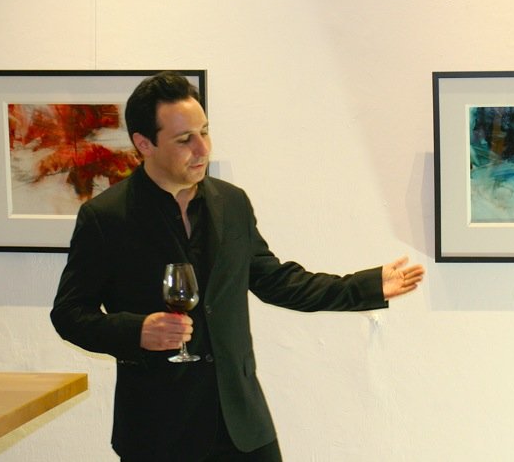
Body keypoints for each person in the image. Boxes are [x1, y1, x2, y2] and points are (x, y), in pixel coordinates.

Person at [50, 71, 424, 462]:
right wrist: (137, 331)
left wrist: (366, 287)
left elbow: (276, 281)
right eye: (184, 139)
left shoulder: (232, 203)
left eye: (204, 132)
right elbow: (69, 314)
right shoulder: (106, 217)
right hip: (159, 431)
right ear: (144, 144)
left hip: (242, 425)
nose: (202, 148)